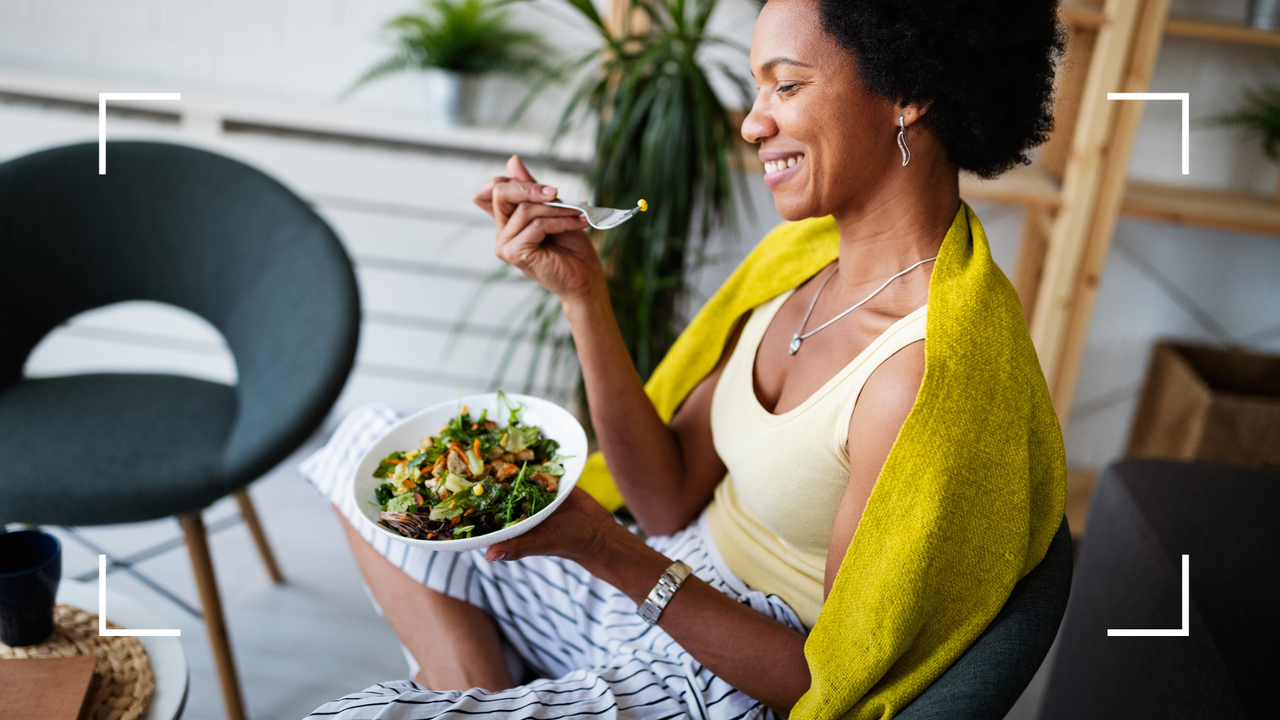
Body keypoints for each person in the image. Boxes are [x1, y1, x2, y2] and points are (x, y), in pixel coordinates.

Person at [302, 0, 1066, 717]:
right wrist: (583, 297)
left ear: (909, 90)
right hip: (665, 565)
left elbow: (821, 683)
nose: (752, 124)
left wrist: (605, 548)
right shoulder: (800, 260)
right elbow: (666, 497)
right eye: (757, 89)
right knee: (365, 442)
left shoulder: (923, 375)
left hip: (724, 672)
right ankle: (482, 691)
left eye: (787, 87)